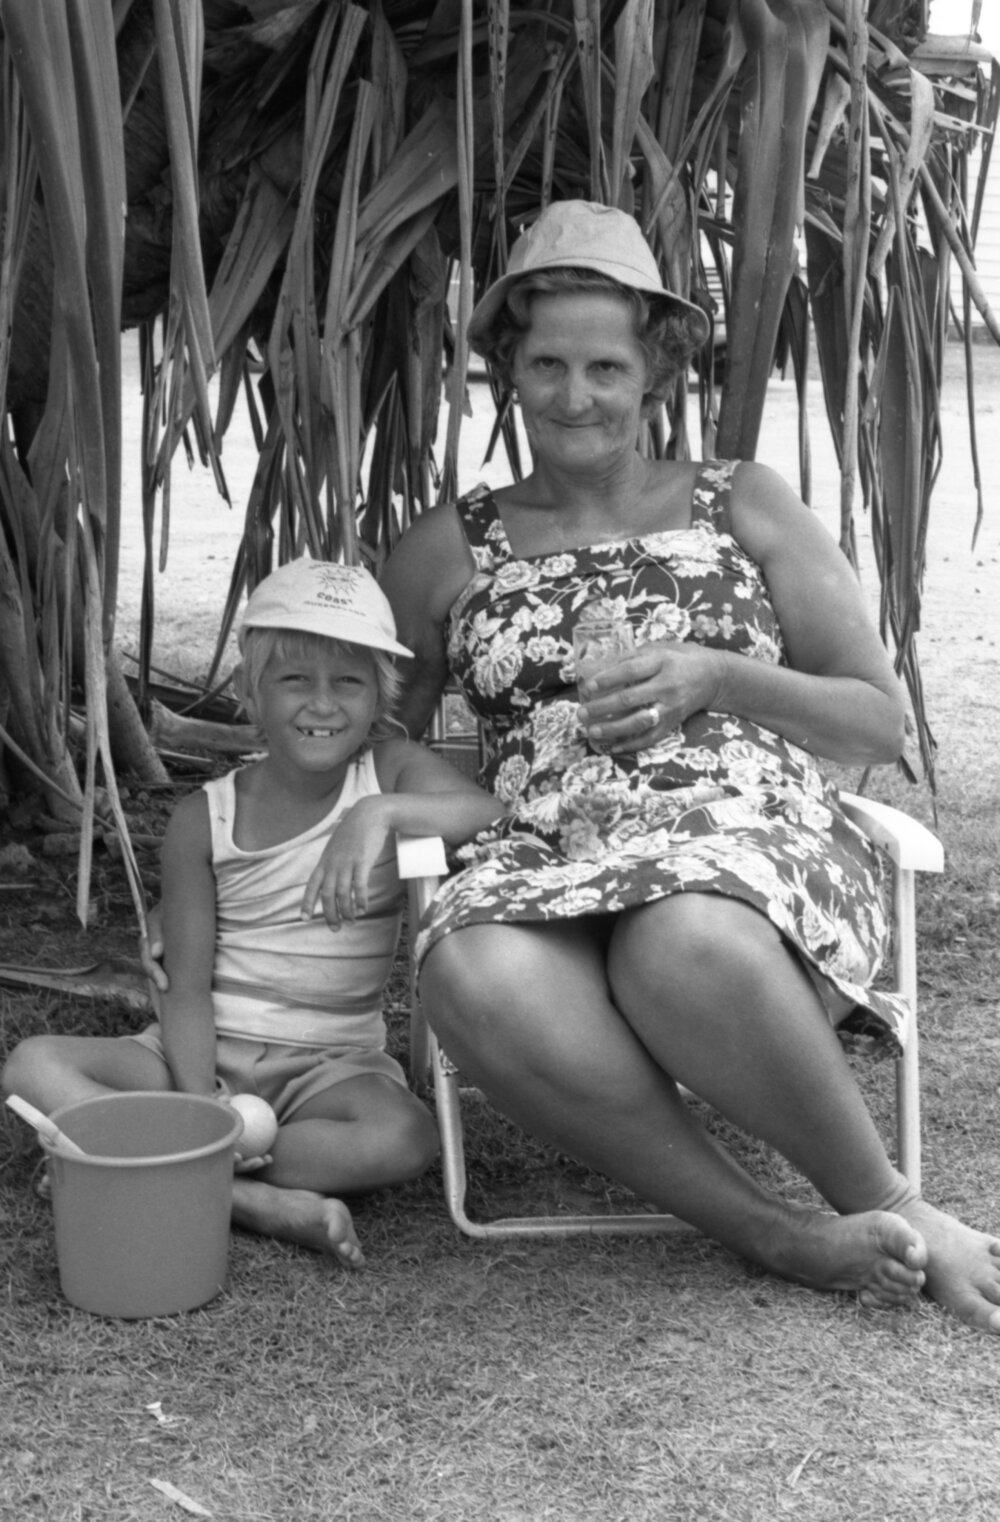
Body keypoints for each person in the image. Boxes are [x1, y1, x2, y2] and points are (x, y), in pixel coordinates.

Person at [331, 198, 998, 1330]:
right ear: (507, 369)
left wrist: (716, 675)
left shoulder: (738, 502)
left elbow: (874, 721)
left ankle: (885, 1199)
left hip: (734, 826)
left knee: (678, 932)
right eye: (547, 363)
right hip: (540, 839)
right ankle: (773, 1232)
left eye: (605, 364)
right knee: (471, 974)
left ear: (655, 367)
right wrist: (427, 795)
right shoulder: (447, 546)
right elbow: (371, 714)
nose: (576, 395)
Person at [3, 559, 504, 1266]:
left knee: (404, 1137)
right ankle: (253, 1201)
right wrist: (201, 1102)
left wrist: (377, 815)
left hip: (331, 1067)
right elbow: (183, 984)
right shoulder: (202, 820)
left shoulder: (389, 772)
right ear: (251, 691)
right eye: (295, 679)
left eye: (349, 682)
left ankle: (133, 1161)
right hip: (204, 1054)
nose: (322, 704)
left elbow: (488, 811)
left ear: (379, 695)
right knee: (32, 1064)